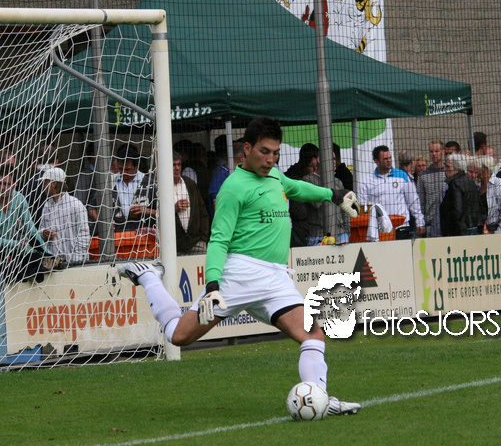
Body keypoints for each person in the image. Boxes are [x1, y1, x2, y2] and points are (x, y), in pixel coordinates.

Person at [116, 117, 361, 416]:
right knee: (178, 336)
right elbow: (218, 240)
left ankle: (319, 398)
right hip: (239, 277)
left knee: (313, 335)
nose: (270, 159)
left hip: (276, 278)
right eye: (264, 151)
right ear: (246, 149)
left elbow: (296, 188)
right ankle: (149, 277)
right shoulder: (233, 188)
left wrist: (333, 194)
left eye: (275, 153)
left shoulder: (275, 177)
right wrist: (213, 285)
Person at [0, 168, 57, 280]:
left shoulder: (19, 199)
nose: (2, 188)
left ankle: (35, 271)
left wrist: (47, 252)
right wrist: (16, 244)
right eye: (0, 183)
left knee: (36, 256)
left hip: (13, 251)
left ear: (15, 184)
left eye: (7, 184)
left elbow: (30, 229)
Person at [358, 145, 425, 239]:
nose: (389, 160)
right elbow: (363, 205)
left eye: (390, 158)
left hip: (401, 227)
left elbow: (413, 201)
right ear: (376, 160)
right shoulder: (367, 181)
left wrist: (420, 221)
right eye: (385, 159)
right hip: (380, 229)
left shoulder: (402, 176)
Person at [39, 167, 91, 265]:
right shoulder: (47, 205)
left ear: (54, 184)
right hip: (54, 263)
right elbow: (41, 230)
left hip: (75, 264)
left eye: (45, 183)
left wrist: (75, 260)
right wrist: (44, 233)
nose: (43, 187)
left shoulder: (76, 205)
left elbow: (84, 236)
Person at [109, 144, 157, 232]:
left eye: (127, 169)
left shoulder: (149, 184)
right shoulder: (109, 183)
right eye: (121, 169)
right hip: (116, 237)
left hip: (142, 237)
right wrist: (106, 224)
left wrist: (147, 211)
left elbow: (164, 213)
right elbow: (92, 208)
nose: (123, 172)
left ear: (136, 166)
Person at [170, 151, 210, 254]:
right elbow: (156, 214)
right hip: (173, 243)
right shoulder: (161, 187)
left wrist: (203, 237)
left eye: (179, 164)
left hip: (196, 241)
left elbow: (203, 212)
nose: (177, 168)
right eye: (174, 165)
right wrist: (173, 209)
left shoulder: (189, 184)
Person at [439, 155, 483, 236]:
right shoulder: (470, 181)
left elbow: (457, 211)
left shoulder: (455, 184)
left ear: (457, 168)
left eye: (448, 167)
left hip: (460, 230)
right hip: (474, 226)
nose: (445, 169)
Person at [474, 156, 501, 234]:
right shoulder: (477, 186)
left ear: (485, 168)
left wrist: (497, 235)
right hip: (479, 231)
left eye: (478, 168)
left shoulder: (500, 185)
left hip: (496, 230)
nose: (476, 170)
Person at [417, 139, 446, 237]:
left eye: (436, 151)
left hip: (447, 222)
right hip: (430, 222)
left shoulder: (448, 172)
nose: (434, 154)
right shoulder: (423, 175)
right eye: (431, 151)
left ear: (442, 152)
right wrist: (421, 222)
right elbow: (421, 201)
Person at [208, 140, 245, 215]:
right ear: (241, 158)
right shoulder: (221, 176)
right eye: (247, 157)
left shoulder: (235, 174)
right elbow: (217, 206)